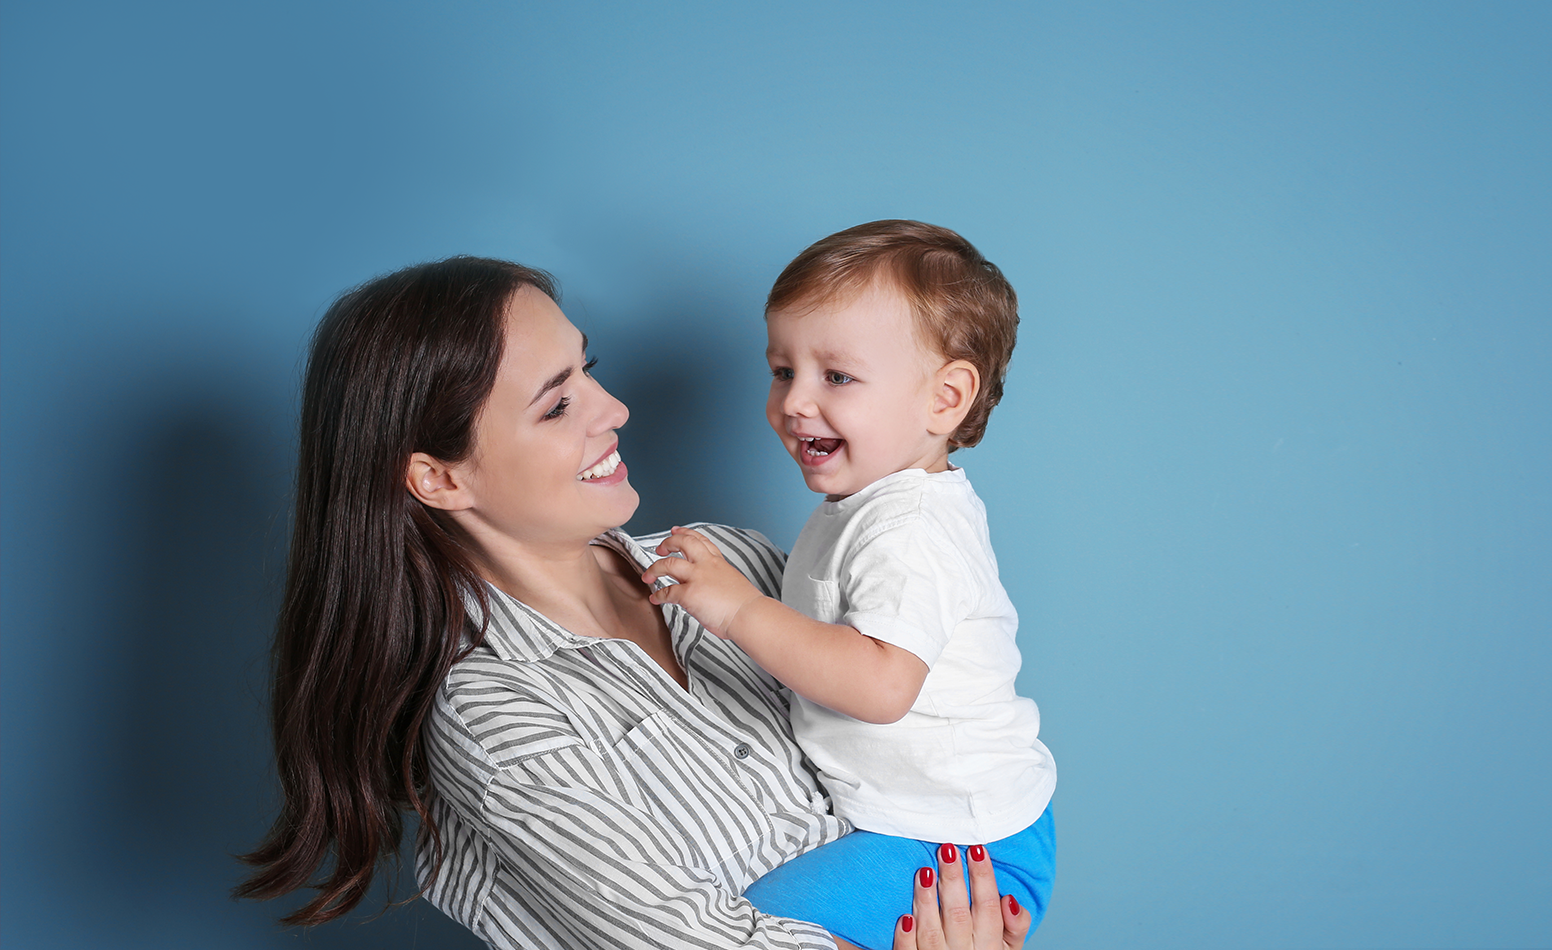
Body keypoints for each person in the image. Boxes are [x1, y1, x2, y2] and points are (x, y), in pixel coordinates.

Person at [234, 255, 1028, 950]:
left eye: (590, 369)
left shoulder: (735, 562)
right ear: (440, 478)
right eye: (556, 405)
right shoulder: (495, 710)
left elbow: (917, 744)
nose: (612, 409)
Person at [640, 221, 1055, 950]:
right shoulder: (869, 505)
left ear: (945, 398)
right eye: (781, 371)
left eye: (836, 376)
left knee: (750, 932)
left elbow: (880, 686)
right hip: (919, 824)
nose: (796, 400)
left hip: (959, 843)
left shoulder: (912, 530)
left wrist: (738, 608)